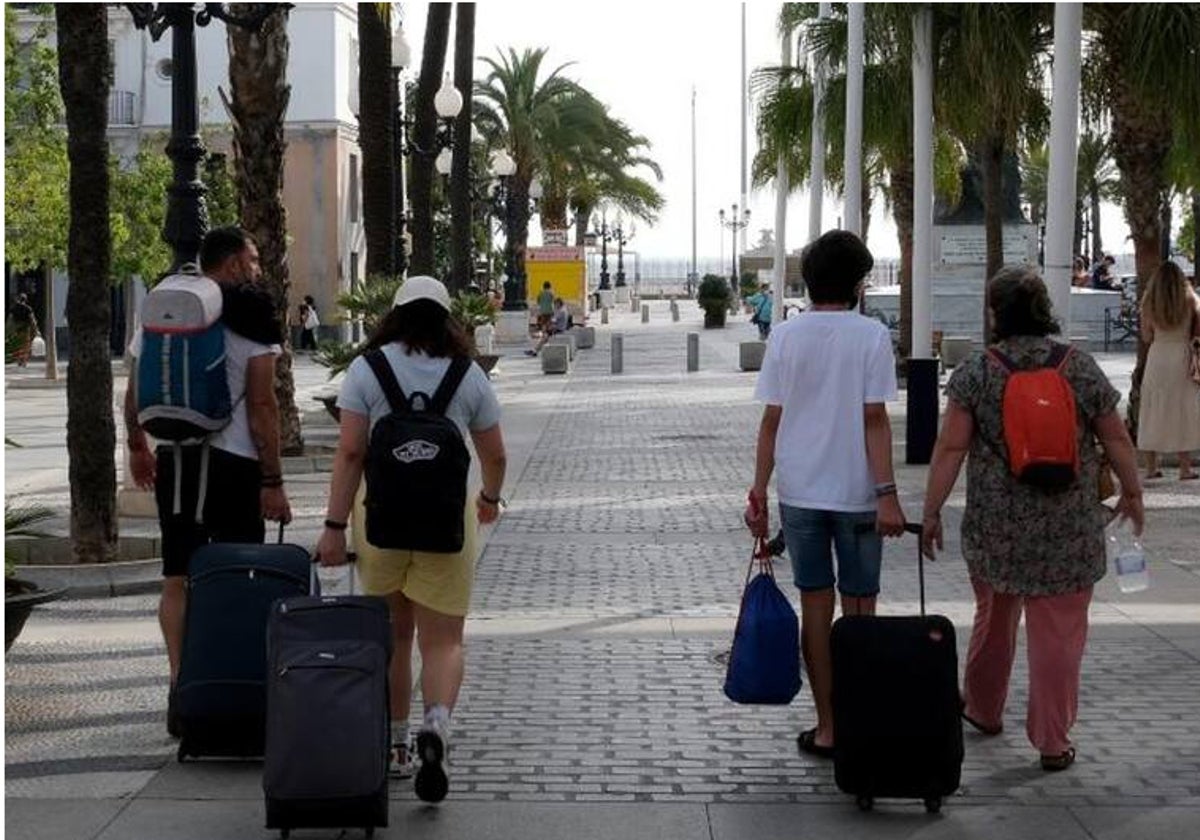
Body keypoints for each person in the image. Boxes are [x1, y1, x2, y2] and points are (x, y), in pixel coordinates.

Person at [920, 267, 1144, 773]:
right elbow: (1116, 438)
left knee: (994, 618)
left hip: (997, 526)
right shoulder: (1080, 367)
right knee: (1059, 634)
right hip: (1069, 525)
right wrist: (1132, 494)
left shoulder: (977, 371)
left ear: (994, 313)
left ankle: (981, 708)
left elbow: (951, 447)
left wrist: (931, 512)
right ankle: (1051, 739)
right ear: (1045, 311)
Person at [314, 276, 507, 802]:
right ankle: (437, 726)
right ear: (447, 319)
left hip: (380, 522)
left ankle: (397, 747)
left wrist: (333, 528)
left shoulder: (366, 370)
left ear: (393, 316)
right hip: (447, 524)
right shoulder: (467, 376)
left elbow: (351, 452)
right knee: (443, 640)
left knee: (395, 637)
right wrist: (488, 499)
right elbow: (495, 454)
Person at [745, 230, 907, 759]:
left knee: (815, 603)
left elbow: (772, 422)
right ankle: (861, 719)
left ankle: (829, 725)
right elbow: (875, 420)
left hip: (799, 491)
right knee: (860, 607)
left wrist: (759, 491)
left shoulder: (786, 337)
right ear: (860, 282)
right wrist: (887, 494)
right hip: (858, 495)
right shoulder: (870, 336)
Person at [124, 227, 292, 733]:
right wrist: (273, 479)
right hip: (235, 463)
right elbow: (262, 406)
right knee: (243, 574)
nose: (258, 268)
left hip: (176, 457)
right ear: (236, 262)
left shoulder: (164, 305)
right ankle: (239, 686)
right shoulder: (254, 316)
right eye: (255, 259)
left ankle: (181, 688)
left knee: (178, 576)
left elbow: (133, 386)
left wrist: (135, 446)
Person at [1136, 261, 1200, 480]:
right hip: (1182, 355)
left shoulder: (1149, 302)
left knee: (1153, 407)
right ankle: (1185, 468)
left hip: (1158, 355)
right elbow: (1196, 332)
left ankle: (1151, 467)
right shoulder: (1191, 300)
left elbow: (1146, 336)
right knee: (1183, 408)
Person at [9, 293, 39, 367]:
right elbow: (32, 319)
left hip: (17, 328)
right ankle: (24, 361)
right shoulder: (28, 308)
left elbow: (10, 319)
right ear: (26, 300)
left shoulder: (14, 308)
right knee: (26, 345)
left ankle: (19, 360)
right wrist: (36, 329)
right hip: (26, 328)